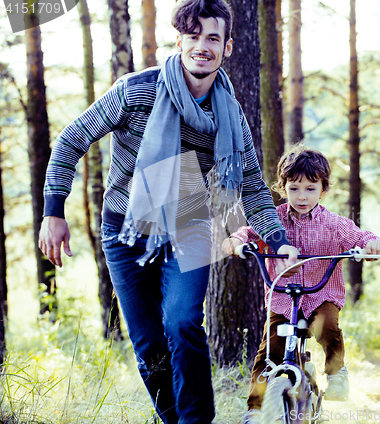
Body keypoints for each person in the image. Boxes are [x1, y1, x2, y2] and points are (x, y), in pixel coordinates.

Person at [38, 0, 299, 422]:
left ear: (227, 47)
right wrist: (53, 211)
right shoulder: (135, 91)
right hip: (124, 228)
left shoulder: (229, 113)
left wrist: (279, 239)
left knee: (181, 323)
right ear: (179, 40)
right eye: (193, 36)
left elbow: (250, 184)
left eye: (213, 37)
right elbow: (71, 140)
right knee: (148, 344)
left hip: (191, 219)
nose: (202, 46)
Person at [222, 146, 380, 424]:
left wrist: (370, 244)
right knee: (268, 352)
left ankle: (335, 373)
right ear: (283, 187)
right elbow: (249, 231)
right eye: (294, 188)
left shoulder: (333, 223)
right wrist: (237, 242)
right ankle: (255, 410)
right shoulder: (272, 220)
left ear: (323, 190)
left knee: (328, 327)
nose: (301, 196)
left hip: (321, 295)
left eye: (310, 189)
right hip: (283, 300)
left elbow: (358, 236)